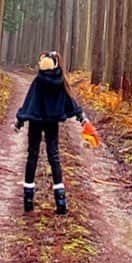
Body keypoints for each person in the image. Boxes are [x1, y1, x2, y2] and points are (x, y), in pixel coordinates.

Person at [14, 51, 87, 215]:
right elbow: (70, 101)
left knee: (32, 156)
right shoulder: (60, 81)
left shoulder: (38, 81)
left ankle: (28, 200)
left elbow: (28, 103)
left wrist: (19, 120)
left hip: (35, 122)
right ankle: (60, 201)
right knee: (54, 157)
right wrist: (81, 117)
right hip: (52, 123)